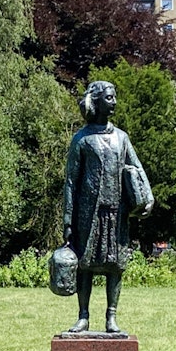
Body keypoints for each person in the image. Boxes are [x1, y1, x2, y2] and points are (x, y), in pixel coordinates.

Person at [64, 80, 153, 333]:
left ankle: (111, 317)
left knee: (115, 265)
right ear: (97, 101)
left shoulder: (121, 138)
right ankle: (83, 316)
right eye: (110, 98)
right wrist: (68, 221)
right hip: (87, 214)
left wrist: (148, 198)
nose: (114, 102)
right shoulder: (81, 139)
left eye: (114, 97)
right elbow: (71, 181)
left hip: (117, 213)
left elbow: (136, 168)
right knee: (85, 265)